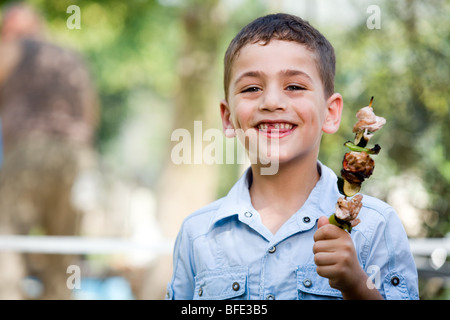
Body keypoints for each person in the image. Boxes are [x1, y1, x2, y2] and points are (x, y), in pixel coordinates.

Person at [165, 13, 419, 300]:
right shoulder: (197, 234)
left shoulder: (376, 226)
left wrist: (357, 285)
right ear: (228, 118)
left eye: (294, 87)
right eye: (251, 88)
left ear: (331, 113)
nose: (272, 102)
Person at [0, 3, 99, 299]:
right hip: (77, 155)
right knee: (63, 246)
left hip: (30, 149)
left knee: (7, 238)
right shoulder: (72, 58)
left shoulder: (13, 49)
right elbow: (92, 112)